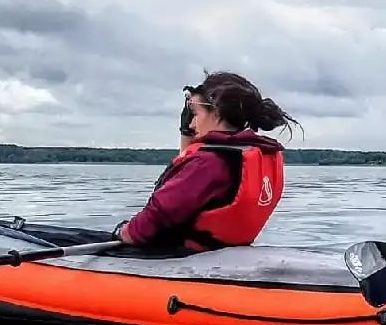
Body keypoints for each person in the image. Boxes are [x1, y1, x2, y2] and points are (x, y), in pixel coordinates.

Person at [113, 71, 298, 252]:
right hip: (216, 251)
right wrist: (186, 133)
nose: (192, 124)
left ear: (216, 112)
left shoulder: (208, 163)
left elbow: (159, 215)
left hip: (180, 256)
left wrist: (124, 232)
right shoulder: (238, 155)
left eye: (195, 114)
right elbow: (190, 177)